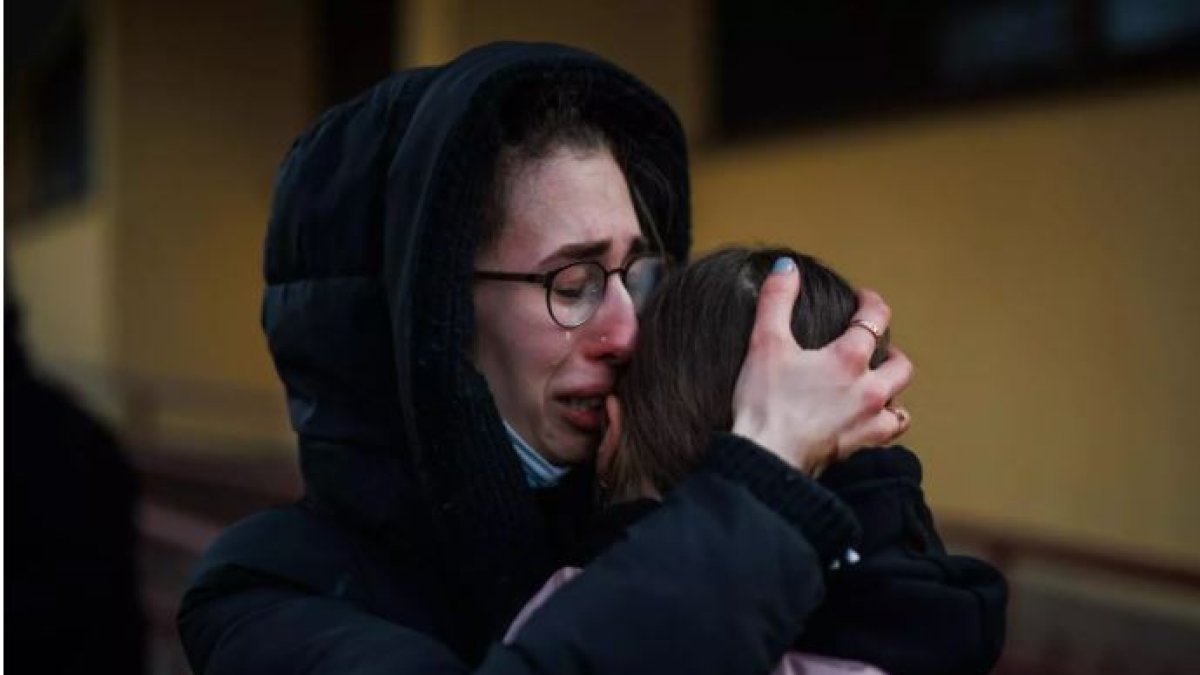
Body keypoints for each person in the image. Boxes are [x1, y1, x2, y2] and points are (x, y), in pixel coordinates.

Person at [178, 42, 923, 674]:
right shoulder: (266, 594)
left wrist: (858, 474)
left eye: (640, 272)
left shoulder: (662, 503)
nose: (628, 330)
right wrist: (762, 487)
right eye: (573, 284)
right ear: (430, 314)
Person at [532, 247, 1001, 675]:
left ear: (612, 435)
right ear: (867, 417)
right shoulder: (942, 618)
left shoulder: (574, 615)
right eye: (574, 287)